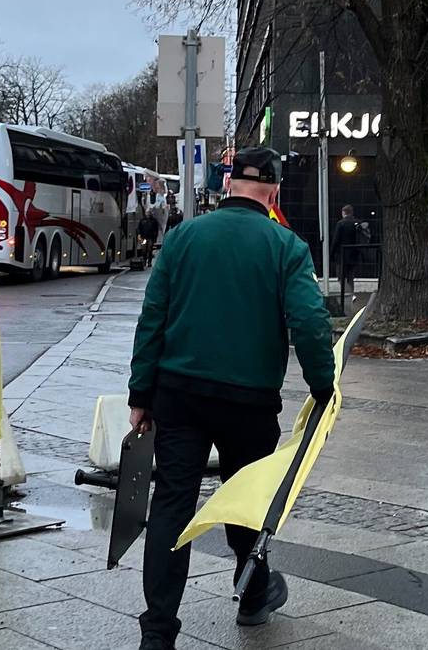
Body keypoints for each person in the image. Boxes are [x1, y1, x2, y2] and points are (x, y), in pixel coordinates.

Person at [128, 147, 336, 650]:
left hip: (179, 396)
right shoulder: (286, 246)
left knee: (172, 506)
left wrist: (141, 392)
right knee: (246, 499)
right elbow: (308, 323)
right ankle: (254, 595)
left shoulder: (180, 238)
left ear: (228, 186)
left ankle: (157, 633)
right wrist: (323, 385)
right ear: (273, 191)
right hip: (249, 401)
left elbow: (152, 317)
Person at [331, 204, 361, 296]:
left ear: (343, 212)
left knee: (341, 276)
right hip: (354, 254)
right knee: (350, 276)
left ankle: (348, 294)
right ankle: (351, 293)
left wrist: (331, 254)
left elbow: (336, 240)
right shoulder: (357, 223)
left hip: (342, 254)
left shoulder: (341, 223)